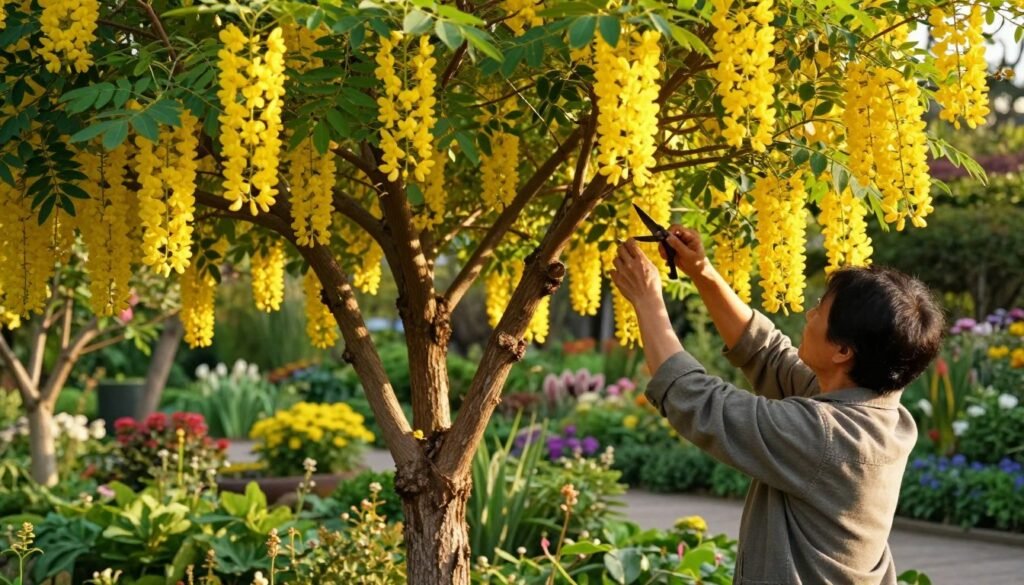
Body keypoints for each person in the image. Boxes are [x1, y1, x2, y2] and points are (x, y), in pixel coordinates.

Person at [609, 226, 944, 585]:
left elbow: (698, 401)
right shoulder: (878, 413)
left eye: (820, 310)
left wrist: (647, 302)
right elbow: (767, 353)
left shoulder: (827, 437)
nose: (809, 315)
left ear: (843, 351)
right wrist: (701, 270)